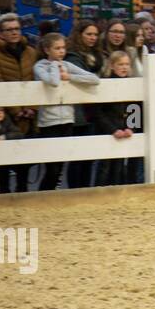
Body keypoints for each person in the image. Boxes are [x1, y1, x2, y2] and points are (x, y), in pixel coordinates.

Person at [33, 32, 100, 190]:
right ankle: (43, 195)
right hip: (49, 122)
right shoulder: (40, 66)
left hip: (67, 120)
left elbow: (94, 79)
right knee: (52, 167)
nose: (61, 52)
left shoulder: (67, 65)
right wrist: (56, 66)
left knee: (61, 166)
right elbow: (54, 82)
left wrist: (69, 76)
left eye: (63, 48)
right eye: (57, 48)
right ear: (47, 50)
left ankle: (51, 196)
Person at [0, 13, 39, 192]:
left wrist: (32, 108)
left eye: (16, 29)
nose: (14, 33)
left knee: (25, 159)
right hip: (5, 114)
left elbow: (36, 82)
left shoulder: (31, 52)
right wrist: (16, 111)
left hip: (29, 113)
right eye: (9, 30)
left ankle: (22, 195)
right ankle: (3, 196)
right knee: (5, 162)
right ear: (1, 33)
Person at [65, 21, 103, 190]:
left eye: (95, 34)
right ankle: (76, 190)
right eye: (89, 34)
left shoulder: (96, 55)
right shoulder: (73, 56)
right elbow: (86, 79)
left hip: (92, 110)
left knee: (90, 156)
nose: (93, 38)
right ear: (79, 34)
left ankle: (86, 189)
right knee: (78, 157)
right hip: (79, 112)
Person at [92, 50, 138, 187]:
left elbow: (135, 106)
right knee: (104, 167)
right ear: (112, 65)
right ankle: (99, 194)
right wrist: (113, 129)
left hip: (124, 130)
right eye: (120, 64)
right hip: (107, 131)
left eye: (127, 64)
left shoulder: (132, 84)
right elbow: (98, 112)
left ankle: (117, 193)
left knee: (119, 166)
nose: (124, 67)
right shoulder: (105, 84)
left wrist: (131, 127)